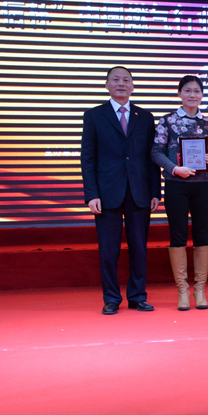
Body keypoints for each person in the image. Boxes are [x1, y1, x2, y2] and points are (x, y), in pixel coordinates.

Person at [80, 66, 161, 315]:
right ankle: (111, 298)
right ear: (106, 85)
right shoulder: (94, 116)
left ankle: (137, 296)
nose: (121, 83)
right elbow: (88, 158)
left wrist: (155, 191)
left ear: (133, 85)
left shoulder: (144, 117)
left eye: (126, 80)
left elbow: (151, 157)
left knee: (139, 248)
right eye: (115, 79)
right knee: (108, 250)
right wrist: (91, 194)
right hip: (106, 193)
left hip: (139, 191)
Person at [151, 75, 208, 311]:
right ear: (179, 94)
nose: (192, 95)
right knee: (178, 235)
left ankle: (200, 290)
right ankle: (182, 291)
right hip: (176, 184)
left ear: (202, 95)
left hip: (203, 185)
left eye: (196, 91)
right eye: (187, 90)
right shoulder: (167, 121)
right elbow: (156, 152)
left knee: (202, 235)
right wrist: (174, 168)